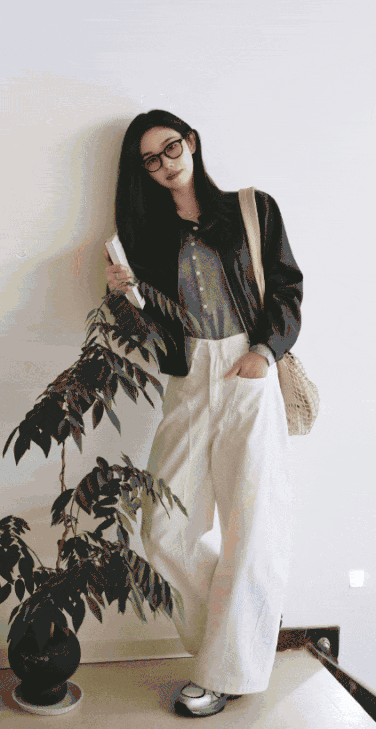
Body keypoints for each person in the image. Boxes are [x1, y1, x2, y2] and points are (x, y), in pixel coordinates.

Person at [104, 109, 302, 718]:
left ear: (191, 142)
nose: (166, 164)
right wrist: (123, 297)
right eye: (151, 160)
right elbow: (147, 332)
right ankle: (242, 631)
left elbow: (287, 286)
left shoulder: (252, 209)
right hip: (188, 376)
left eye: (171, 148)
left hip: (247, 366)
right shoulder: (146, 236)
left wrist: (265, 352)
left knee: (252, 524)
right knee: (163, 529)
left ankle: (224, 671)